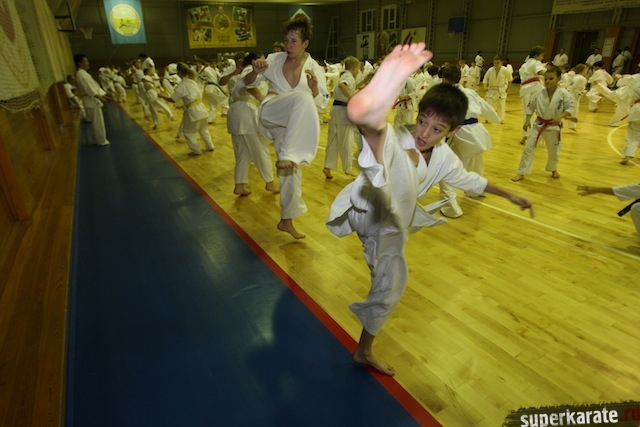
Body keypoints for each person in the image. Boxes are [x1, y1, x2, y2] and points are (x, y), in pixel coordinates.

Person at [327, 43, 534, 376]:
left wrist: (509, 194)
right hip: (366, 208)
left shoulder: (445, 158)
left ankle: (363, 348)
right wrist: (388, 77)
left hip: (390, 224)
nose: (424, 132)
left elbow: (471, 180)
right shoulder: (396, 139)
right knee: (390, 283)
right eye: (422, 121)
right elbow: (364, 116)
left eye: (436, 129)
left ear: (453, 131)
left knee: (390, 285)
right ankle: (363, 351)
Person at [239, 14, 329, 239]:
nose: (288, 45)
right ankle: (291, 154)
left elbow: (323, 103)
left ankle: (286, 220)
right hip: (271, 111)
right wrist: (255, 71)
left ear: (305, 43)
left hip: (290, 130)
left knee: (291, 174)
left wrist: (314, 88)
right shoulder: (274, 59)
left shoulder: (314, 69)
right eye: (286, 40)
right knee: (302, 98)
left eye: (294, 41)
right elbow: (246, 83)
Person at [439, 64, 501, 218]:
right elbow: (487, 109)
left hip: (461, 134)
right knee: (475, 163)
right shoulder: (470, 92)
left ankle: (450, 207)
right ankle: (475, 190)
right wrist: (496, 119)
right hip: (478, 132)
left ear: (444, 79)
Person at [225, 51, 278, 196]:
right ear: (255, 60)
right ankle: (270, 183)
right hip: (246, 114)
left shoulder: (256, 73)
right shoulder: (251, 70)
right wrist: (263, 100)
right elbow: (250, 85)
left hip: (237, 114)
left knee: (243, 153)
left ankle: (239, 185)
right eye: (263, 58)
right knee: (261, 149)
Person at [512, 66, 575, 181]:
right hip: (539, 125)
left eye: (551, 79)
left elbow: (570, 107)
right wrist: (527, 120)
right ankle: (521, 172)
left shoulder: (564, 94)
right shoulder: (539, 93)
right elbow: (530, 107)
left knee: (554, 151)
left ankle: (553, 169)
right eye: (546, 79)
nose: (548, 81)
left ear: (558, 79)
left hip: (554, 127)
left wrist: (560, 116)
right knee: (528, 148)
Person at [162, 62, 214, 156]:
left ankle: (196, 150)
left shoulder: (182, 85)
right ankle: (210, 146)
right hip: (202, 108)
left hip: (193, 110)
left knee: (188, 132)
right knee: (203, 129)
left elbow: (172, 99)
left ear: (179, 72)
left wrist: (161, 96)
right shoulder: (192, 81)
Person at [323, 56, 360, 179]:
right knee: (347, 141)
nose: (358, 71)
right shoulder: (348, 77)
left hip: (336, 111)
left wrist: (365, 81)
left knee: (333, 141)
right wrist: (351, 98)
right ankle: (348, 169)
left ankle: (327, 167)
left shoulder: (344, 75)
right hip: (343, 114)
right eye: (357, 69)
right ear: (353, 68)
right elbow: (342, 85)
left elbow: (347, 86)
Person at [74, 53, 110, 146]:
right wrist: (100, 97)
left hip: (91, 100)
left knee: (96, 123)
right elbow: (89, 89)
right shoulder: (81, 74)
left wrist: (103, 96)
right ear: (80, 63)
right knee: (98, 123)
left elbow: (94, 86)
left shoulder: (83, 74)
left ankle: (96, 139)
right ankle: (101, 141)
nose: (88, 63)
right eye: (85, 61)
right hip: (91, 100)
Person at [517, 46, 546, 144]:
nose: (542, 58)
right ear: (537, 55)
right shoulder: (536, 62)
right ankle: (536, 135)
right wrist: (552, 74)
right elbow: (540, 72)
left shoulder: (524, 65)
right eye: (542, 55)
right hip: (535, 88)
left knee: (527, 112)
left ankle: (526, 135)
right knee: (541, 111)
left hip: (525, 90)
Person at [482, 54, 513, 123]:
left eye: (498, 63)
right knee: (488, 104)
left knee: (501, 105)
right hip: (491, 89)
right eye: (495, 63)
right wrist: (485, 86)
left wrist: (508, 88)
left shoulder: (505, 70)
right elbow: (485, 79)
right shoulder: (490, 70)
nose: (496, 64)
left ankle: (501, 119)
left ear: (501, 62)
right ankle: (487, 118)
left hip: (501, 89)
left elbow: (510, 79)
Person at [565, 64, 588, 131]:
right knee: (572, 109)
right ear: (583, 70)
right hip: (572, 94)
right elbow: (572, 87)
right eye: (585, 69)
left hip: (574, 94)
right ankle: (565, 123)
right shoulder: (580, 78)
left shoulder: (576, 77)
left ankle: (571, 125)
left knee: (574, 110)